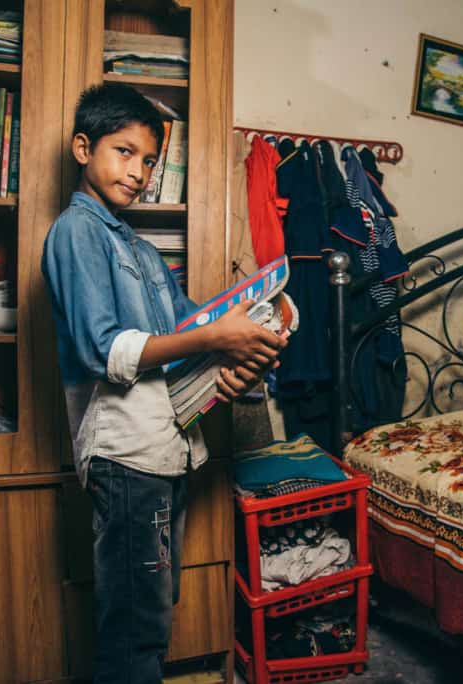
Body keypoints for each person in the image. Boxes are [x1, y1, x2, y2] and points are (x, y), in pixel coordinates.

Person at [41, 83, 286, 684]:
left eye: (149, 160)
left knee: (151, 610)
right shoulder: (77, 233)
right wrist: (213, 341)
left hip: (166, 452)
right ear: (82, 148)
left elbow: (190, 330)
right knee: (133, 627)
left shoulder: (144, 252)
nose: (140, 172)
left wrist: (247, 339)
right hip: (126, 457)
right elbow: (104, 349)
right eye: (124, 152)